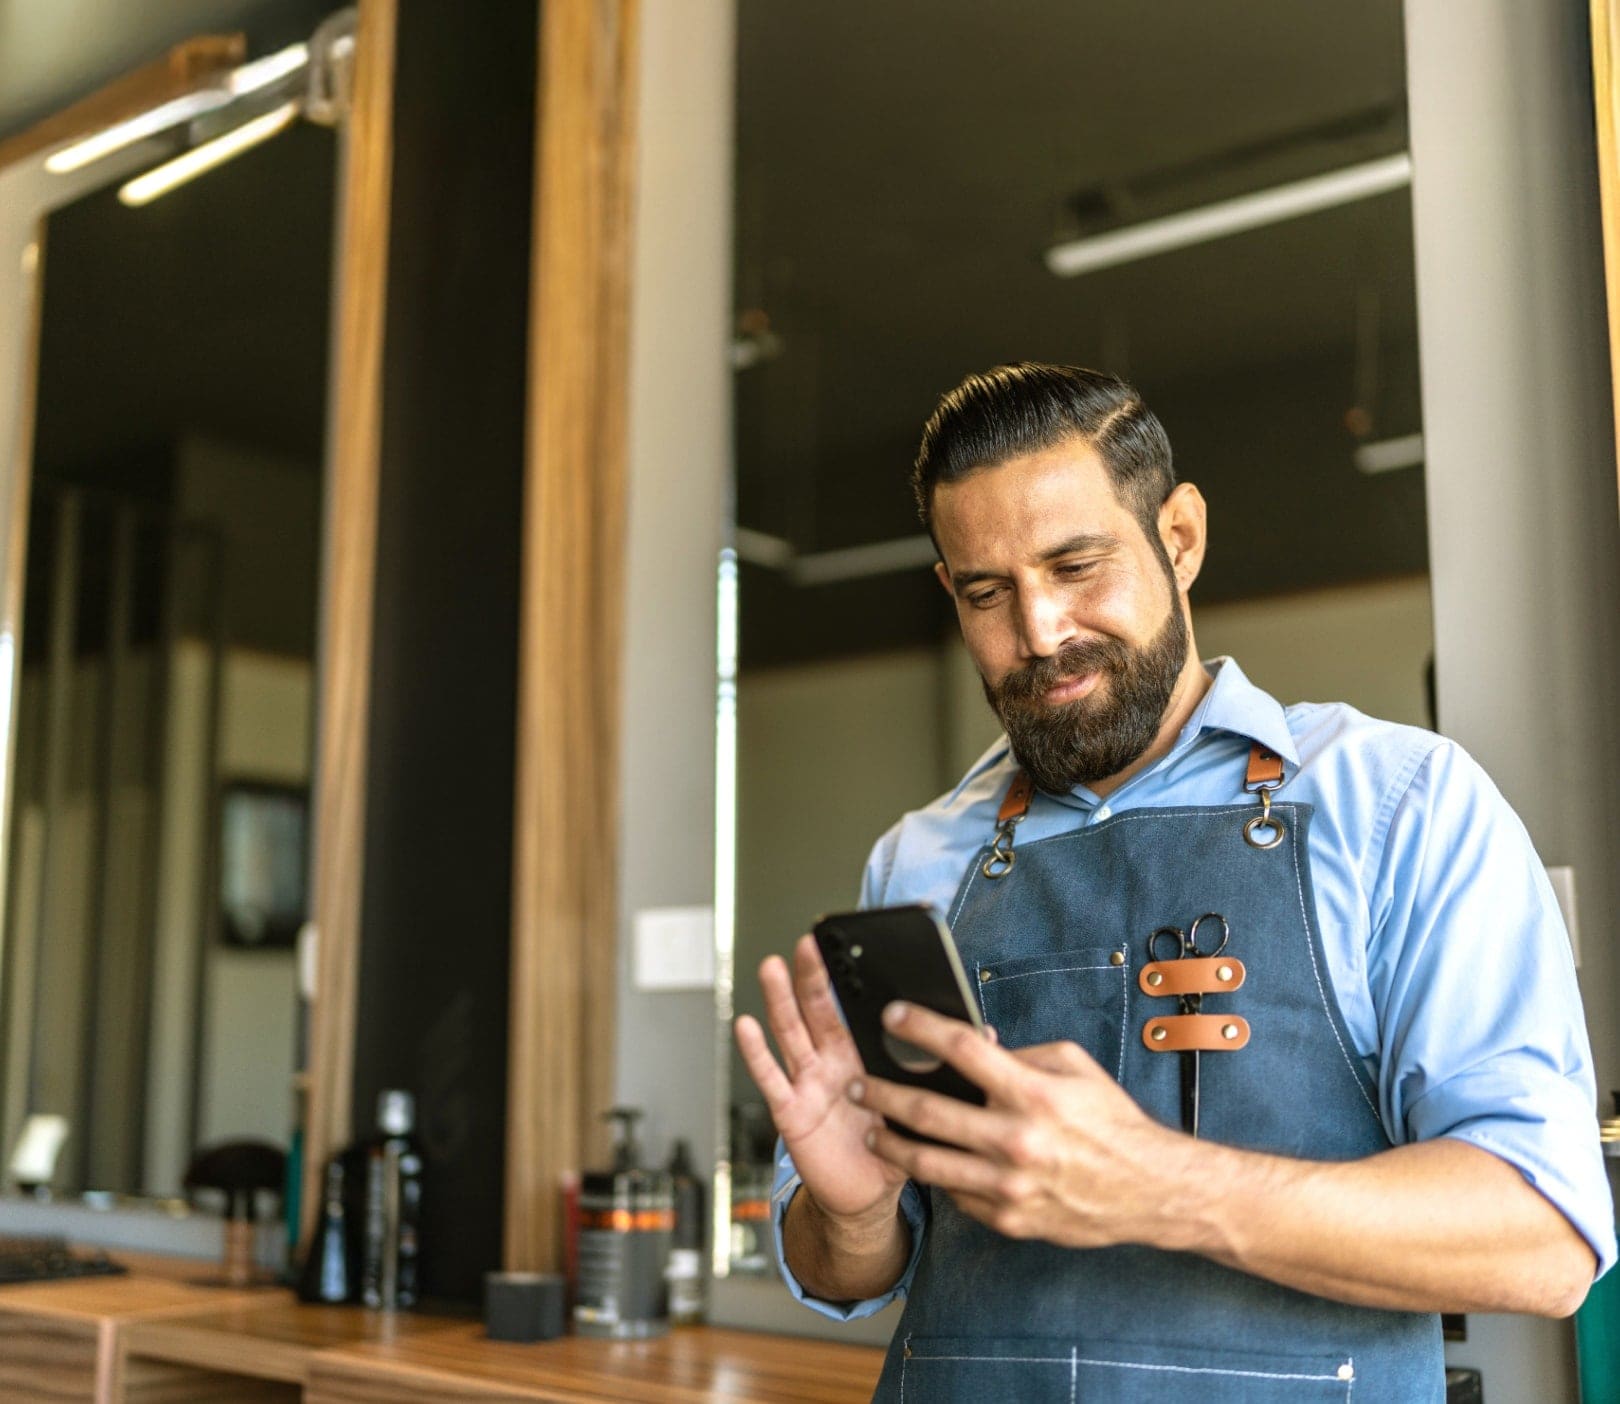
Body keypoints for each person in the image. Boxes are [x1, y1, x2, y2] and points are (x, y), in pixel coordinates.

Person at [733, 364, 1616, 1403]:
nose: (1042, 630)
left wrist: (1156, 1185)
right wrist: (851, 1213)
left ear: (1181, 538)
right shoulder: (918, 859)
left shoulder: (1401, 807)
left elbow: (1543, 1239)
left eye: (1077, 565)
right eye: (987, 593)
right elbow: (856, 1271)